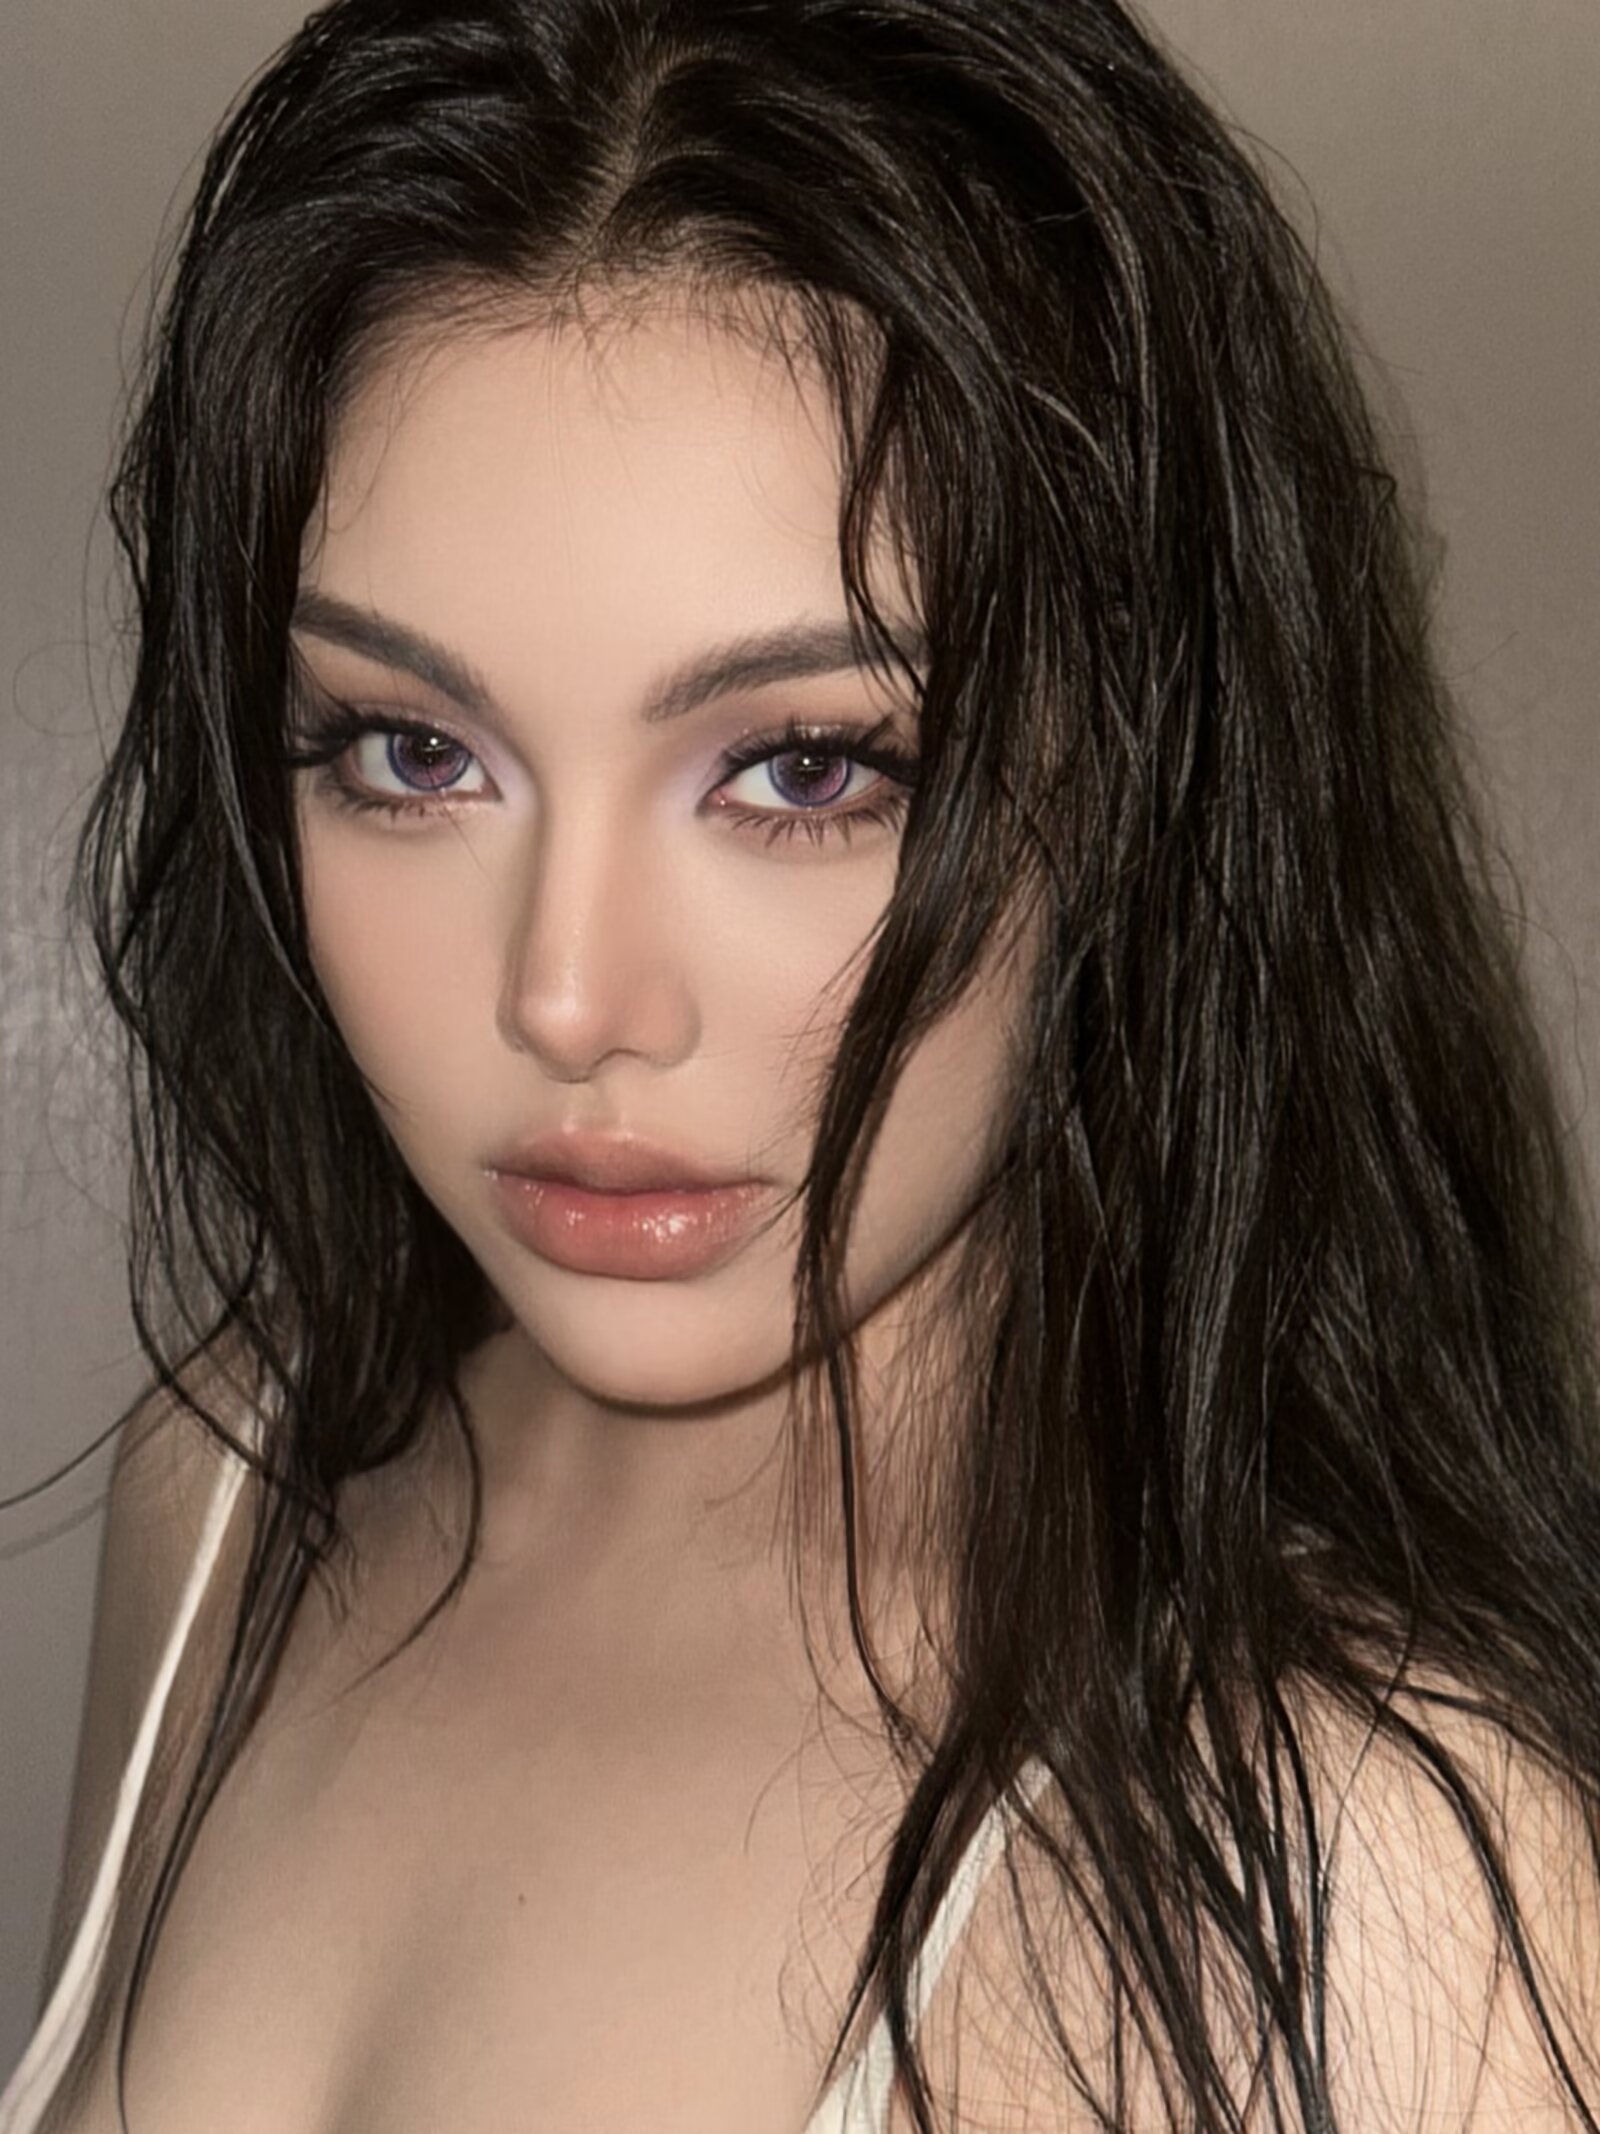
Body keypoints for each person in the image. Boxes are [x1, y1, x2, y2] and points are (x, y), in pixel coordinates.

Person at [6, 0, 1600, 2127]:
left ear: (1141, 777)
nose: (569, 997)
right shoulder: (226, 1483)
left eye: (803, 767)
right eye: (410, 750)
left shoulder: (1367, 1883)